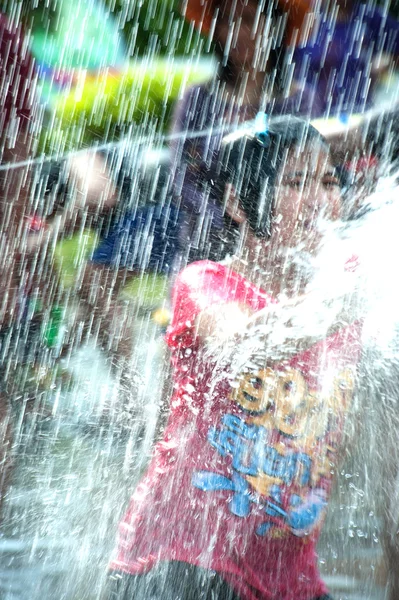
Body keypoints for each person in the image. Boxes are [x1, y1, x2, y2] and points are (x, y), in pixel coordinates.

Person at [105, 116, 362, 600]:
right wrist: (344, 301)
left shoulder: (350, 293)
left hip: (291, 577)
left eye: (329, 181)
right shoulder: (204, 285)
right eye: (296, 182)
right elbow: (245, 346)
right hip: (181, 560)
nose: (320, 199)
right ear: (236, 203)